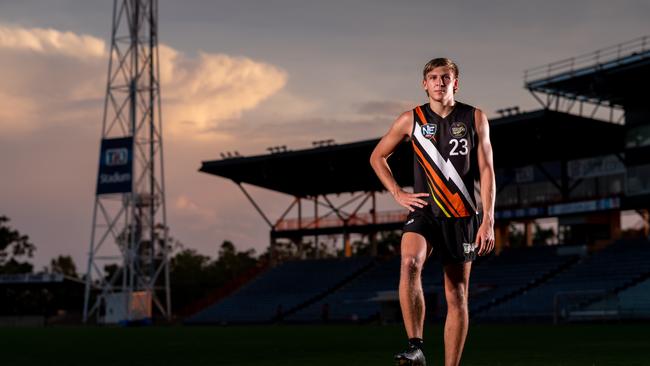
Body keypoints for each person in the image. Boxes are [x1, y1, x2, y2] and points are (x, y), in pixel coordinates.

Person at [369, 58, 495, 366]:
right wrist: (398, 193)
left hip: (462, 213)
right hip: (424, 209)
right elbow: (377, 157)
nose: (439, 82)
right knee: (409, 261)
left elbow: (486, 168)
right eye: (433, 77)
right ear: (425, 84)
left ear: (456, 83)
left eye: (445, 77)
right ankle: (415, 346)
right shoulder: (410, 119)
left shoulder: (475, 117)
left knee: (457, 294)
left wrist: (488, 218)